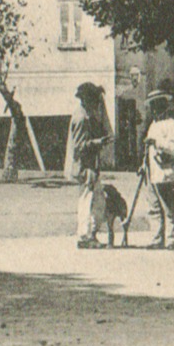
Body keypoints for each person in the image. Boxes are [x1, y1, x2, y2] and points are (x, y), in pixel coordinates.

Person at [65, 82, 114, 249]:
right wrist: (97, 142)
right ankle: (85, 236)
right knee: (87, 200)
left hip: (90, 165)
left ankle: (89, 234)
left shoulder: (85, 116)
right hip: (85, 166)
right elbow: (79, 146)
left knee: (96, 200)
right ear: (87, 100)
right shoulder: (81, 118)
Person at [142, 89, 174, 249]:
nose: (154, 110)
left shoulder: (172, 125)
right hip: (152, 171)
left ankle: (172, 240)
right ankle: (156, 238)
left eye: (156, 105)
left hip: (165, 172)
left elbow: (173, 148)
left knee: (168, 206)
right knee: (154, 207)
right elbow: (148, 149)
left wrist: (157, 143)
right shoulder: (154, 125)